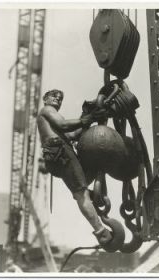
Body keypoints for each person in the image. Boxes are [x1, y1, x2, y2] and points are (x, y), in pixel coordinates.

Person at [37, 89, 112, 246]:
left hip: (61, 155)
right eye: (54, 96)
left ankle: (89, 197)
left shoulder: (51, 121)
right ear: (45, 99)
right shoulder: (47, 110)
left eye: (60, 98)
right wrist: (88, 118)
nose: (58, 99)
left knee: (84, 183)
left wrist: (87, 119)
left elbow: (71, 135)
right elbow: (64, 125)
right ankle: (101, 232)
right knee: (81, 194)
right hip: (61, 154)